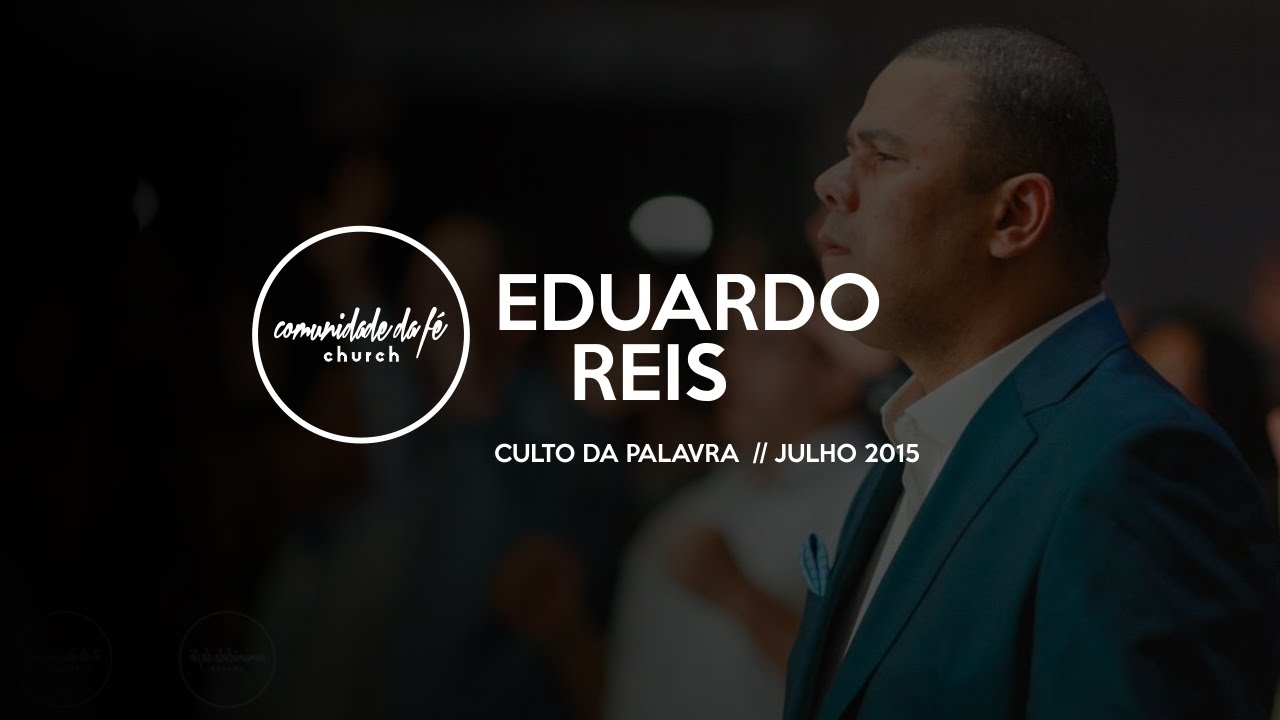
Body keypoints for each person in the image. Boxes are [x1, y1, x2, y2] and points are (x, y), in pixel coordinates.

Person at [786, 25, 1280, 720]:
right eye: (847, 151)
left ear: (1014, 216)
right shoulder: (919, 438)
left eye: (883, 156)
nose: (830, 184)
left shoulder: (1136, 465)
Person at [604, 284, 896, 720]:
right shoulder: (686, 512)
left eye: (766, 343)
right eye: (729, 339)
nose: (729, 362)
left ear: (837, 375)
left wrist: (740, 596)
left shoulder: (879, 500)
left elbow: (884, 695)